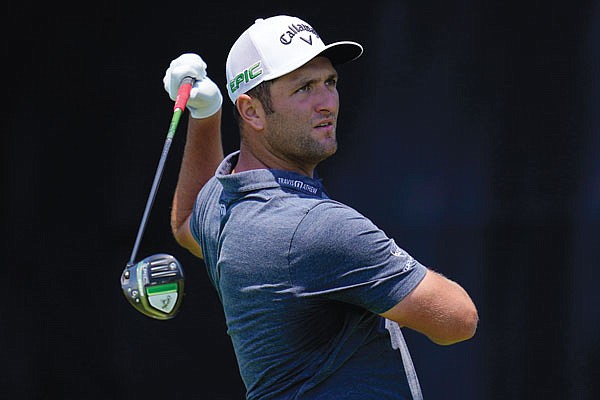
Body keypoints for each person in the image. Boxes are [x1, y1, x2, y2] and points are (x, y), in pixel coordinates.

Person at [162, 15, 478, 400]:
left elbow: (186, 220)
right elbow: (458, 321)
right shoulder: (319, 228)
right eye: (304, 88)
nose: (327, 102)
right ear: (251, 112)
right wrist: (377, 261)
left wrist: (205, 114)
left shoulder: (226, 201)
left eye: (330, 82)